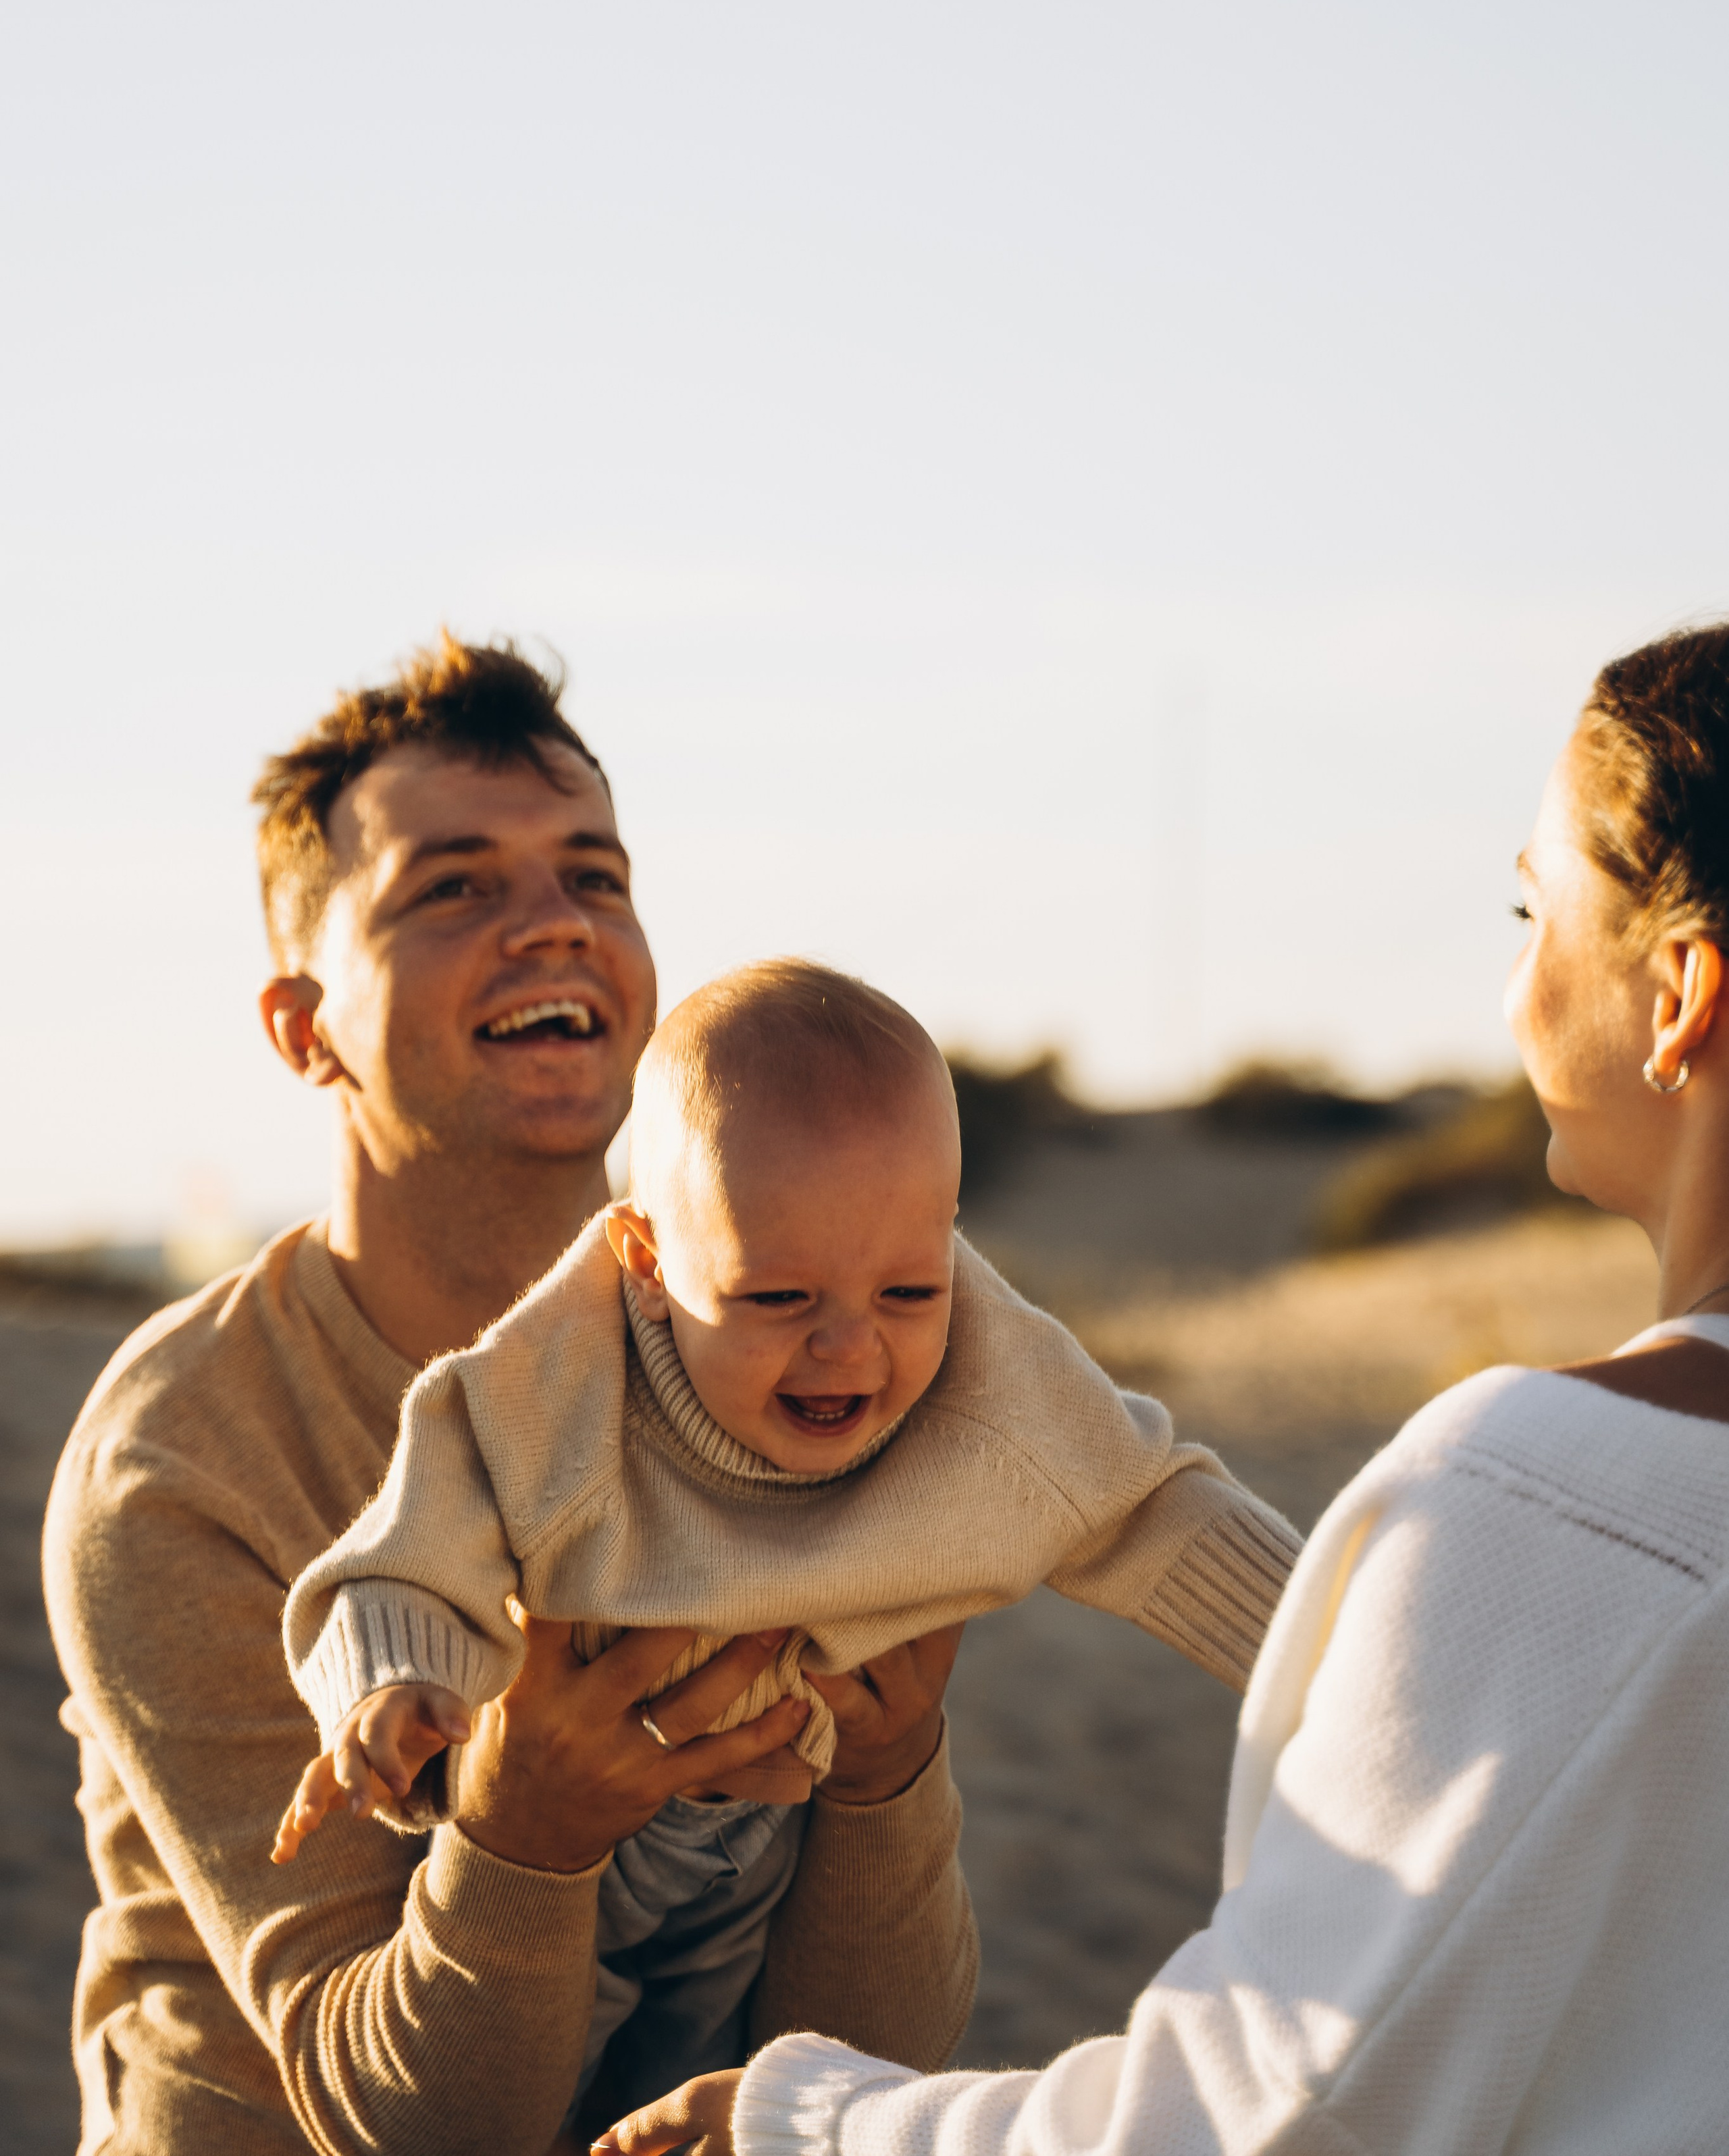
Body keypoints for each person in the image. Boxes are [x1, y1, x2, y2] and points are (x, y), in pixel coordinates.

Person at [604, 619, 1729, 2156]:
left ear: (1676, 994)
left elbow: (1255, 2118)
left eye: (1533, 909)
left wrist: (807, 2122)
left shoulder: (1543, 1507)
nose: (1515, 983)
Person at [44, 638, 975, 2156]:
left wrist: (884, 1779)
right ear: (304, 1027)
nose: (552, 925)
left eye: (593, 877)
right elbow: (397, 2122)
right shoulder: (183, 1454)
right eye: (454, 886)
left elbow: (865, 2071)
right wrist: (523, 1832)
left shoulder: (784, 1355)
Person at [270, 962, 1300, 2115]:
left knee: (713, 2086)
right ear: (649, 1267)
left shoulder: (994, 1380)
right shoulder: (548, 1388)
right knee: (541, 2085)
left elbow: (1155, 1509)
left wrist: (1340, 1649)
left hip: (772, 1840)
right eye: (777, 1300)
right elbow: (401, 1555)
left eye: (911, 1289)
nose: (849, 1349)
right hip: (567, 1844)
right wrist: (394, 1683)